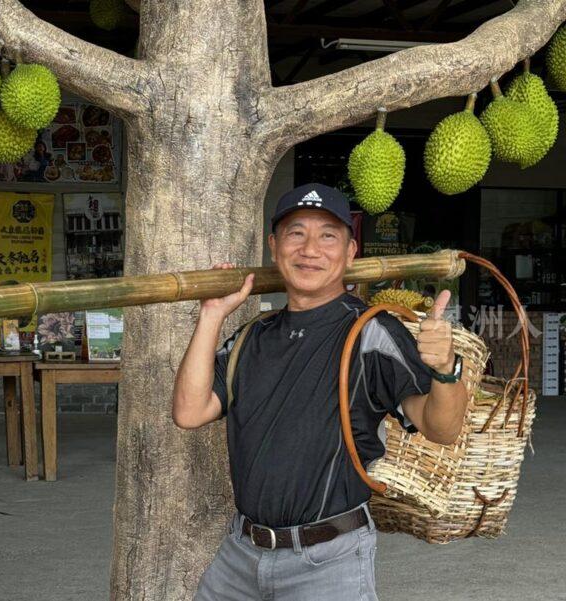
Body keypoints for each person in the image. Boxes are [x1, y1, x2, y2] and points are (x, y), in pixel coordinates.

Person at [172, 183, 469, 600]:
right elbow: (189, 411)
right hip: (240, 556)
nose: (310, 249)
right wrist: (211, 315)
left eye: (328, 235)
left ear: (350, 252)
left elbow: (441, 428)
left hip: (328, 561)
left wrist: (445, 369)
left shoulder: (371, 332)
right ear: (275, 247)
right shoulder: (250, 337)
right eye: (296, 233)